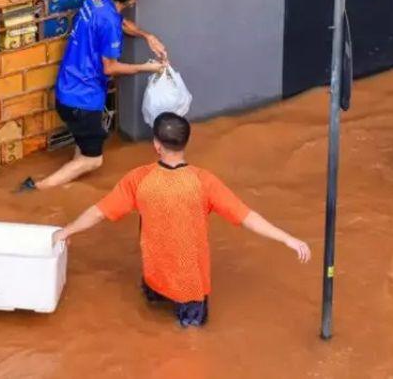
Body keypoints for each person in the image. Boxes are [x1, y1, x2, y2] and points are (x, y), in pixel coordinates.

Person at [52, 113, 311, 328]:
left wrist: (65, 231)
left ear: (156, 144)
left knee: (149, 317)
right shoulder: (204, 182)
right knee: (190, 344)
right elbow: (247, 217)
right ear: (186, 142)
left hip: (154, 276)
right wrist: (287, 238)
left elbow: (99, 212)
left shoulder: (138, 179)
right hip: (190, 285)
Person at [25, 0, 168, 190]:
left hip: (67, 89)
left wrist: (147, 36)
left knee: (83, 149)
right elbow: (109, 68)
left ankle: (68, 180)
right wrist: (148, 67)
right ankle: (37, 189)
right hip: (83, 100)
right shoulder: (109, 22)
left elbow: (120, 23)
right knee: (93, 160)